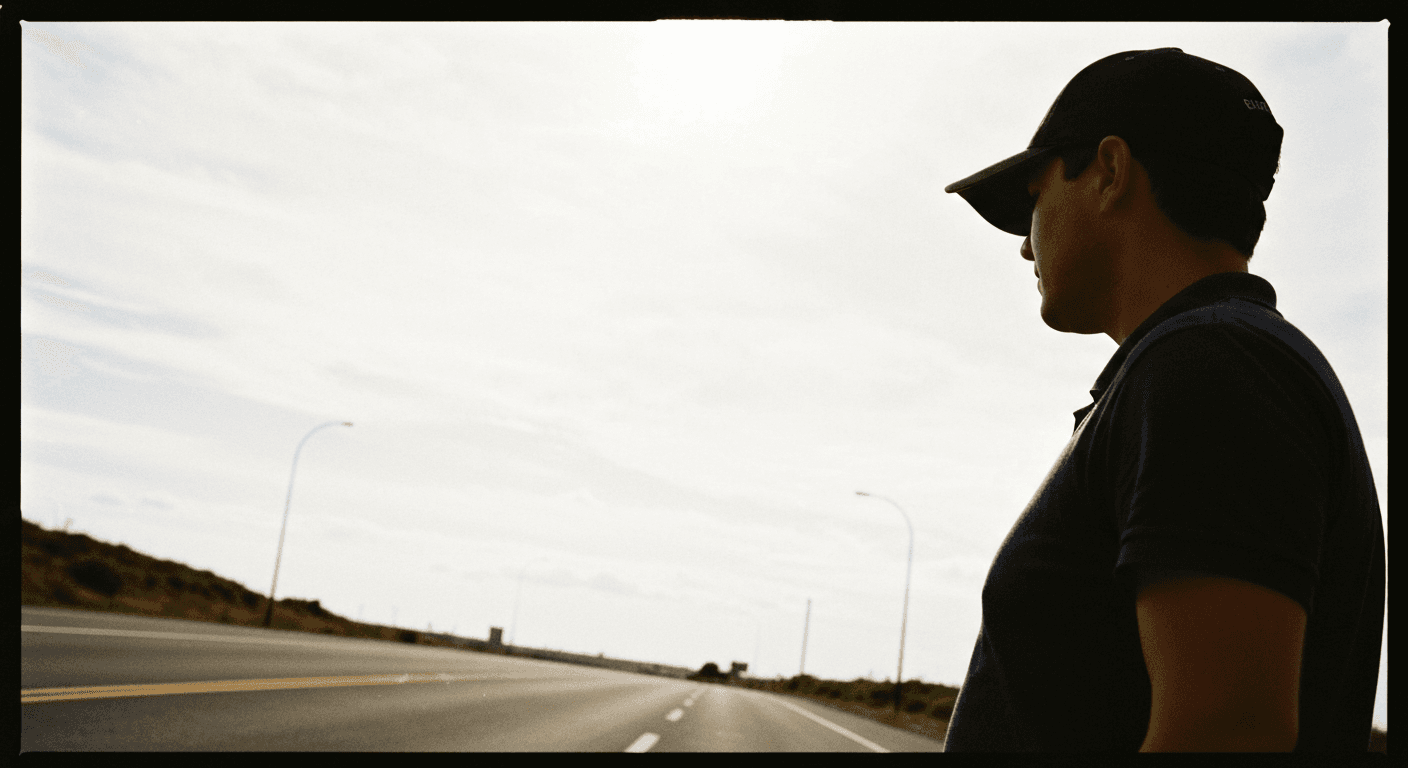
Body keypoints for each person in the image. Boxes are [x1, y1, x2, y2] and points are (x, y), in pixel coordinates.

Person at [939, 48, 1385, 752]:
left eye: (1031, 200)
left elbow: (1226, 734)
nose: (1026, 249)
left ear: (1110, 172)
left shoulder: (1213, 368)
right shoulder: (1203, 365)